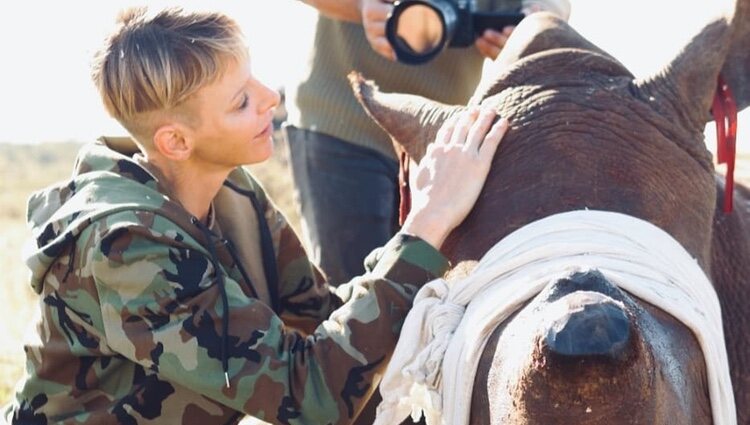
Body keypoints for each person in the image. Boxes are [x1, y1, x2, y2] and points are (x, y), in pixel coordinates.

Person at [3, 6, 508, 425]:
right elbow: (310, 396)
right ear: (175, 141)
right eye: (241, 101)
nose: (271, 99)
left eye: (255, 80)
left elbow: (323, 323)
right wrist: (429, 222)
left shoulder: (232, 191)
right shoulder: (126, 247)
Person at [284, 0, 570, 285]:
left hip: (444, 139)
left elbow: (554, 5)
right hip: (341, 119)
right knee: (353, 293)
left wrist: (540, 18)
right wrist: (359, 7)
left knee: (434, 294)